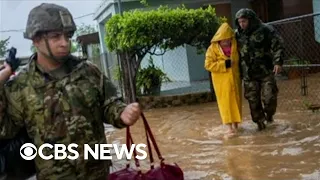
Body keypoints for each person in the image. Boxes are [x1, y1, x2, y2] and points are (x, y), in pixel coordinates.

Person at [0, 3, 141, 180]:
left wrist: (122, 113)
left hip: (97, 172)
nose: (65, 43)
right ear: (36, 40)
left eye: (68, 36)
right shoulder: (20, 85)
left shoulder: (88, 71)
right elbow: (6, 130)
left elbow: (109, 104)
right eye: (56, 36)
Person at [234, 8, 284, 131]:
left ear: (250, 20)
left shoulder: (265, 29)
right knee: (253, 101)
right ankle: (260, 125)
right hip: (248, 74)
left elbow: (278, 44)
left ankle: (270, 116)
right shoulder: (237, 34)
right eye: (239, 22)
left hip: (266, 71)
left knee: (269, 98)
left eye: (244, 21)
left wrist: (278, 62)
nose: (242, 24)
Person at [205, 22, 242, 138]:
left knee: (236, 101)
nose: (226, 42)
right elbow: (208, 65)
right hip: (222, 82)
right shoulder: (212, 49)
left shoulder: (235, 46)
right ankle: (229, 127)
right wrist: (224, 64)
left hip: (235, 80)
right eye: (223, 40)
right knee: (225, 104)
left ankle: (236, 126)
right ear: (219, 39)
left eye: (228, 39)